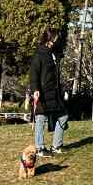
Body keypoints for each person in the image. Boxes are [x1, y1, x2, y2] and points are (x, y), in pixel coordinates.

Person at [29, 27, 68, 155]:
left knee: (63, 117)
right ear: (49, 39)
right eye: (55, 38)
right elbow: (34, 73)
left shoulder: (54, 53)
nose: (57, 40)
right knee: (40, 118)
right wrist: (35, 89)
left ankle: (56, 146)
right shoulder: (39, 54)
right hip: (43, 92)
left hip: (55, 92)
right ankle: (39, 148)